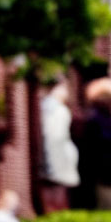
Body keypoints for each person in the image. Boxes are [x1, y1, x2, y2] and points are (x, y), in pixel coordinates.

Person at [73, 78, 111, 211]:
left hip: (109, 176)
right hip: (104, 178)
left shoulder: (106, 118)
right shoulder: (97, 119)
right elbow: (103, 146)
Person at [40, 76, 79, 213]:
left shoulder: (45, 107)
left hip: (53, 165)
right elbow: (55, 138)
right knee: (57, 203)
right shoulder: (58, 110)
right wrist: (53, 169)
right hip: (57, 166)